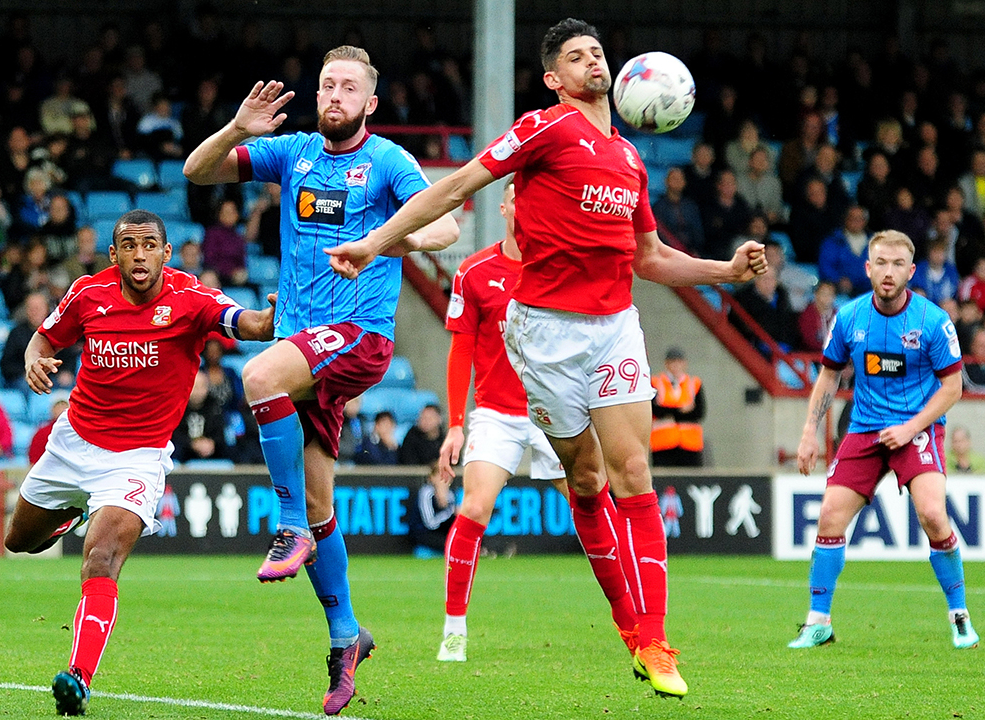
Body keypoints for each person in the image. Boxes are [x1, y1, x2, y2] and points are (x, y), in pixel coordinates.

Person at [323, 19, 767, 698]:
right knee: (585, 481)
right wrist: (377, 241)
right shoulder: (543, 128)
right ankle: (628, 627)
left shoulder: (629, 158)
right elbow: (459, 185)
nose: (593, 60)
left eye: (598, 52)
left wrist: (726, 270)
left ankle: (655, 643)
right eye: (576, 56)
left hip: (615, 324)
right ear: (554, 78)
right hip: (544, 333)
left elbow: (649, 258)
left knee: (634, 470)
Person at [182, 46, 458, 715]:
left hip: (359, 333)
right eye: (327, 85)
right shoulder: (294, 151)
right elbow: (199, 171)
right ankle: (345, 636)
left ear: (370, 101)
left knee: (256, 374)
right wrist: (239, 130)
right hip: (302, 347)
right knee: (319, 501)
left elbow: (446, 225)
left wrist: (383, 239)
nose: (334, 94)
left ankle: (286, 529)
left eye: (349, 87)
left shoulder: (388, 161)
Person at [1, 210, 277, 717]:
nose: (140, 254)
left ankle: (79, 677)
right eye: (128, 245)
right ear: (114, 254)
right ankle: (69, 513)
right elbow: (45, 336)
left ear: (166, 253)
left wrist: (273, 318)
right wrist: (33, 359)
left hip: (136, 459)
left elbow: (248, 324)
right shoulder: (88, 294)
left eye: (150, 245)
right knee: (18, 542)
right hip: (73, 443)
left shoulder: (191, 299)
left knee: (100, 558)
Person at [792, 229, 978, 651]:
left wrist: (912, 428)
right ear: (868, 268)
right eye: (881, 263)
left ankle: (959, 615)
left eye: (897, 264)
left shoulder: (932, 320)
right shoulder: (851, 317)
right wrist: (808, 432)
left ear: (911, 271)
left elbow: (953, 388)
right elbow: (828, 375)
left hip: (918, 428)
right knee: (829, 517)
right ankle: (818, 622)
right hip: (864, 429)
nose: (888, 272)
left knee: (932, 515)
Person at [435, 179, 571, 663]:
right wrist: (455, 423)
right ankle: (454, 629)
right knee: (474, 509)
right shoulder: (474, 271)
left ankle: (636, 624)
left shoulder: (558, 266)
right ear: (506, 206)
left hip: (555, 409)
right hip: (496, 412)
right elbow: (461, 350)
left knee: (595, 503)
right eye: (521, 199)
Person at [649, 347, 705, 468]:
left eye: (679, 362)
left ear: (684, 363)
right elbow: (656, 411)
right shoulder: (656, 382)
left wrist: (669, 412)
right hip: (663, 443)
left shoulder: (694, 383)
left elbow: (698, 413)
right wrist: (681, 410)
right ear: (666, 364)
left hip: (690, 444)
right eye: (672, 362)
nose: (676, 365)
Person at [407, 461, 456, 558]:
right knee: (450, 545)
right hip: (423, 533)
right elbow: (430, 523)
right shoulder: (426, 493)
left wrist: (446, 506)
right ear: (432, 478)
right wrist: (449, 511)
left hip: (440, 532)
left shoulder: (450, 494)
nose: (444, 479)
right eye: (440, 475)